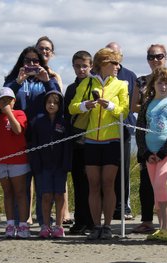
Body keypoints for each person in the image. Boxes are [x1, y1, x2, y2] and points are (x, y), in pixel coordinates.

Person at [69, 47, 130, 240]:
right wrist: (86, 105)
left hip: (112, 140)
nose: (117, 66)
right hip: (91, 140)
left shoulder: (121, 84)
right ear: (103, 64)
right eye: (113, 63)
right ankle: (96, 225)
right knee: (93, 184)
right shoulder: (87, 82)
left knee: (108, 183)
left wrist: (109, 106)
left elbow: (124, 111)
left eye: (118, 62)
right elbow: (72, 108)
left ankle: (107, 225)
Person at [131, 44, 167, 235]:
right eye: (160, 83)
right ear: (153, 84)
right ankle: (160, 226)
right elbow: (140, 130)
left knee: (163, 182)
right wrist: (146, 152)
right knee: (156, 188)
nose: (163, 86)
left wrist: (163, 151)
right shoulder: (147, 103)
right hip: (149, 152)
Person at [4, 46, 60, 227]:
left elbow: (57, 98)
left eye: (36, 61)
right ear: (22, 62)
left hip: (41, 135)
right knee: (20, 183)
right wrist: (17, 82)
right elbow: (3, 99)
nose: (31, 64)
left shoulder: (47, 80)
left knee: (42, 180)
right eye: (27, 61)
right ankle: (22, 223)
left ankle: (44, 222)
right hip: (17, 134)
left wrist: (47, 81)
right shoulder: (13, 80)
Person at [29, 90, 70, 239]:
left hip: (60, 166)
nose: (52, 105)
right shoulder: (37, 122)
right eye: (49, 102)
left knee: (59, 195)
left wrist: (66, 163)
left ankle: (59, 226)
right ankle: (45, 225)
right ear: (44, 104)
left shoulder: (65, 122)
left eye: (55, 103)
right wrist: (36, 164)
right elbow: (33, 144)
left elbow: (67, 145)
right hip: (43, 165)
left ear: (60, 105)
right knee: (45, 195)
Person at [0, 87, 30, 239]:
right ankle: (10, 224)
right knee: (8, 193)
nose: (5, 102)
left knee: (20, 192)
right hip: (1, 161)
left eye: (8, 100)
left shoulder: (19, 113)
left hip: (17, 161)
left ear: (14, 101)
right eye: (2, 100)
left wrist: (8, 113)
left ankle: (23, 225)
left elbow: (18, 130)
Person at [64, 50, 94, 235]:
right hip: (76, 141)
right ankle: (81, 220)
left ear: (91, 66)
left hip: (94, 140)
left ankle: (92, 220)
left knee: (93, 183)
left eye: (84, 66)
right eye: (77, 66)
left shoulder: (97, 85)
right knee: (79, 183)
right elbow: (68, 114)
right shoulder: (71, 89)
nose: (81, 69)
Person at [106, 42, 136, 221]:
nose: (114, 59)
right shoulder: (96, 75)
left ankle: (123, 206)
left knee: (124, 170)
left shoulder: (130, 76)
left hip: (125, 127)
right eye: (109, 55)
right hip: (103, 129)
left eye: (116, 55)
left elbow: (131, 104)